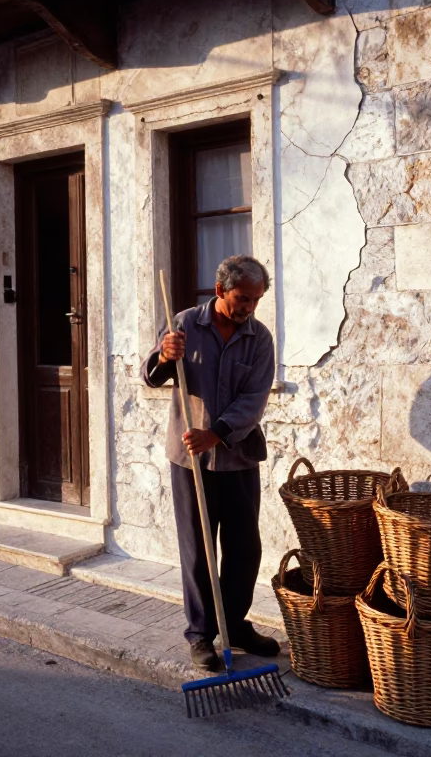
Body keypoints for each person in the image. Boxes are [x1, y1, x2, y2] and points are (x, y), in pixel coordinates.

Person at [143, 254, 279, 672]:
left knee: (244, 547)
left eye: (257, 300)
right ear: (220, 291)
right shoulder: (183, 323)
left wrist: (216, 433)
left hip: (237, 455)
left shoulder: (259, 339)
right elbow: (149, 376)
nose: (249, 308)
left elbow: (254, 400)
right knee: (198, 548)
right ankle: (201, 634)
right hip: (189, 459)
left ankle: (234, 623)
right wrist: (165, 357)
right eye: (243, 299)